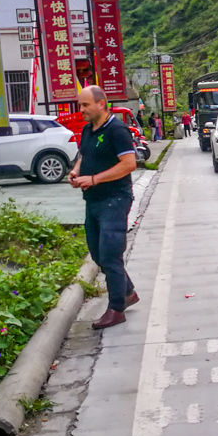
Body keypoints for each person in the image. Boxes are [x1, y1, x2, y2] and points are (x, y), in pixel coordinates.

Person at [69, 86, 140, 330]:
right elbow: (83, 155)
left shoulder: (117, 130)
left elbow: (129, 164)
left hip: (114, 199)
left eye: (85, 105)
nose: (82, 110)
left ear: (101, 104)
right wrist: (77, 171)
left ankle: (116, 308)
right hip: (93, 200)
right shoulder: (88, 130)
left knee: (110, 254)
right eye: (80, 105)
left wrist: (95, 178)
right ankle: (128, 292)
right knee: (98, 254)